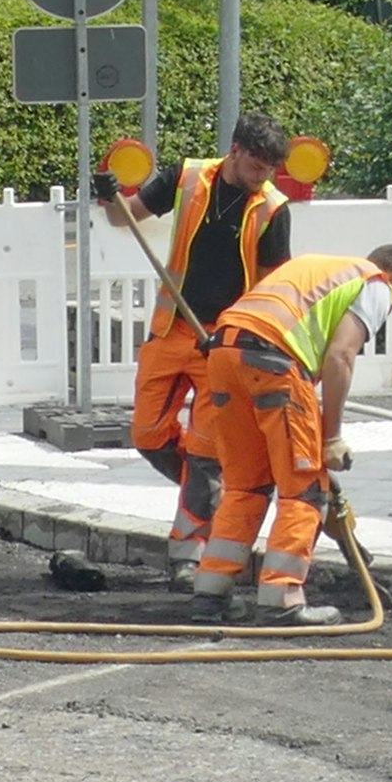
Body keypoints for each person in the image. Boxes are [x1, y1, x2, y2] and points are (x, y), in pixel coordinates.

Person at [92, 112, 293, 592]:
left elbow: (274, 286)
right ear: (236, 150)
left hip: (221, 345)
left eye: (271, 169)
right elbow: (127, 216)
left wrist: (242, 337)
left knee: (205, 453)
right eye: (257, 165)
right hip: (172, 329)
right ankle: (222, 496)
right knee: (147, 435)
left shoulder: (272, 209)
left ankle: (187, 554)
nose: (263, 176)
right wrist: (108, 195)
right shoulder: (184, 178)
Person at [190, 244, 392, 625]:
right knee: (304, 488)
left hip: (224, 354)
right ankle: (281, 599)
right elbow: (340, 356)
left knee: (246, 485)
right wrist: (331, 438)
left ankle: (210, 594)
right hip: (272, 360)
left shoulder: (318, 265)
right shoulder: (376, 283)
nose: (391, 306)